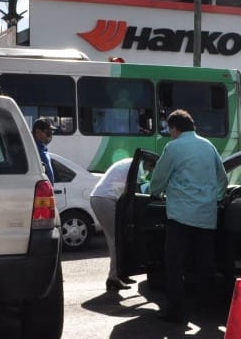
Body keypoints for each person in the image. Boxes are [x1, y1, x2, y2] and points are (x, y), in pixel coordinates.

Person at [148, 109, 227, 323]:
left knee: (174, 265)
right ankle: (206, 309)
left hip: (180, 216)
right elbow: (223, 178)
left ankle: (175, 311)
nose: (169, 133)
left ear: (175, 128)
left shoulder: (173, 147)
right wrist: (216, 199)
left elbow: (159, 178)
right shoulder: (208, 146)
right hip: (206, 216)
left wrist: (154, 191)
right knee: (205, 265)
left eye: (169, 129)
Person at [90, 157, 139, 291]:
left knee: (117, 239)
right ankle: (113, 278)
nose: (150, 170)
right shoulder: (137, 166)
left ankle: (120, 274)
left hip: (102, 198)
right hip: (105, 199)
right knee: (115, 240)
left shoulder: (130, 162)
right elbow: (139, 189)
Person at [32, 117, 56, 184]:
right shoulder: (35, 151)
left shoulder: (41, 149)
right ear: (38, 132)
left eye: (52, 133)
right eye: (48, 133)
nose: (51, 136)